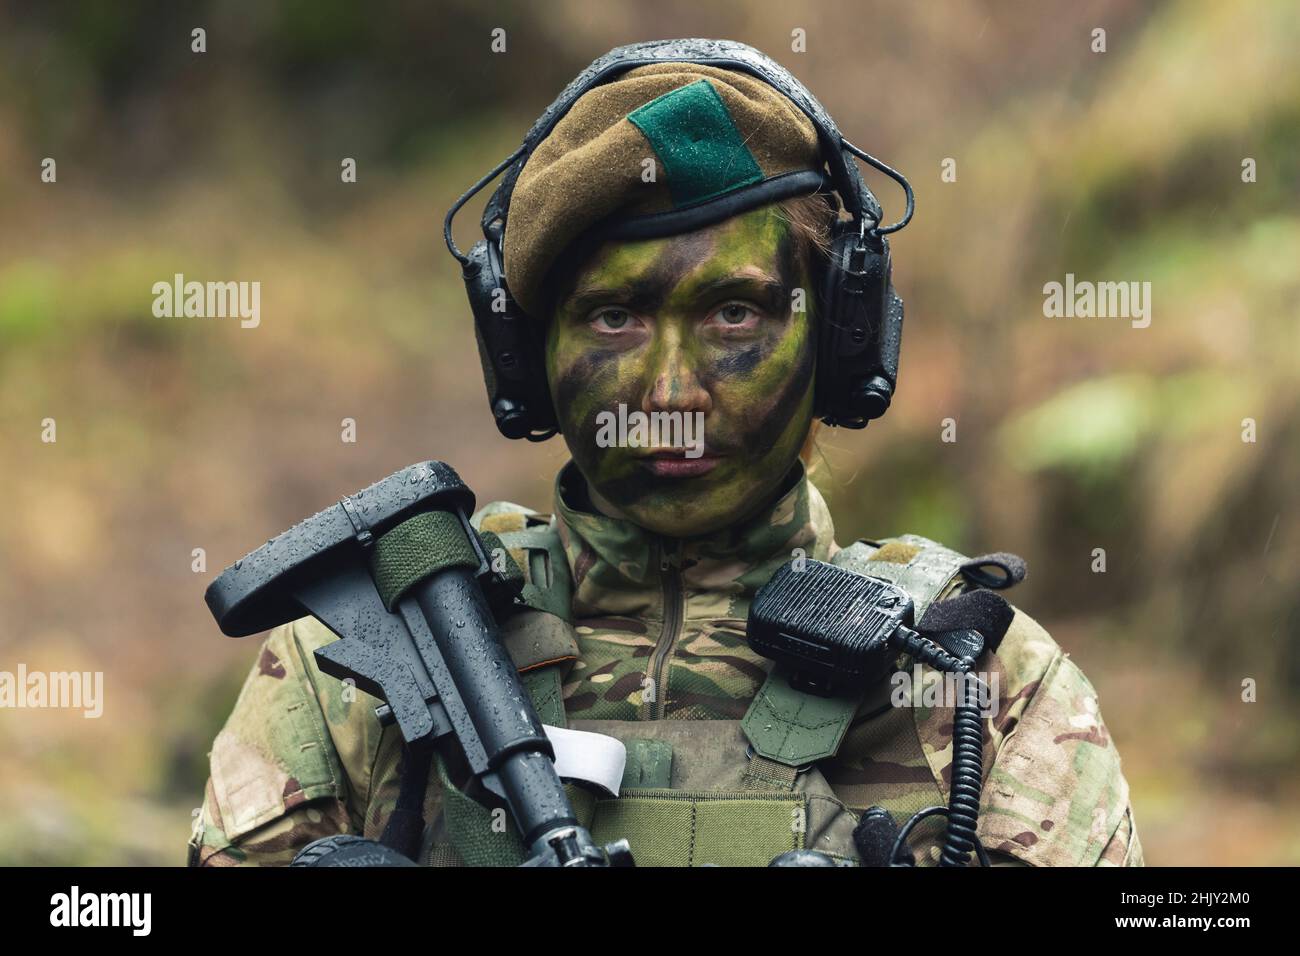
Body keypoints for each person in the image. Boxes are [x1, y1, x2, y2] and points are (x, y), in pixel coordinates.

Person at [189, 39, 1142, 867]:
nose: (671, 395)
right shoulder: (367, 660)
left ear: (840, 338)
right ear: (524, 353)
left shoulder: (974, 679)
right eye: (614, 316)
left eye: (735, 312)